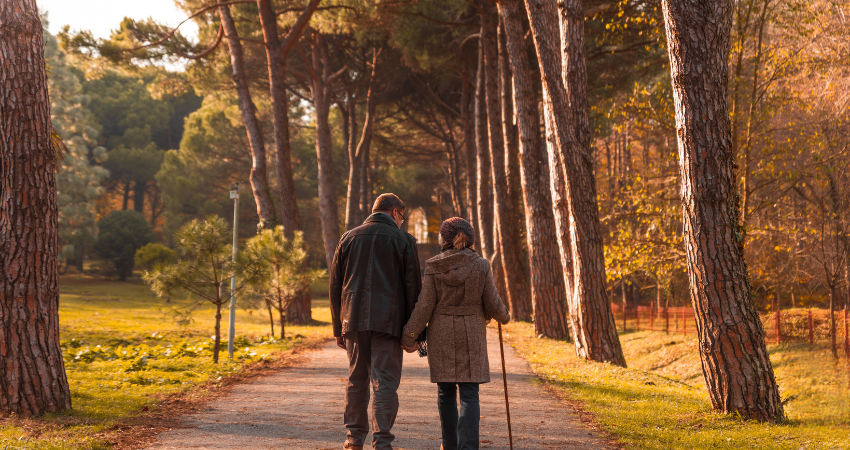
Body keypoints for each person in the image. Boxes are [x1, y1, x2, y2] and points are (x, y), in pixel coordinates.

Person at [400, 217, 511, 450]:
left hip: (441, 334)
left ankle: (449, 445)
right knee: (470, 393)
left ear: (444, 239)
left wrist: (409, 335)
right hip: (472, 332)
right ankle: (468, 447)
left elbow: (424, 306)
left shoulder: (432, 266)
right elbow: (493, 303)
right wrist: (504, 316)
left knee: (446, 392)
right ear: (470, 238)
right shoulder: (481, 265)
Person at [330, 193, 422, 450]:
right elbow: (413, 289)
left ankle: (353, 440)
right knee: (385, 382)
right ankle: (382, 442)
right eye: (401, 217)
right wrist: (414, 334)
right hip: (389, 323)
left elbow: (335, 286)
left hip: (354, 321)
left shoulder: (348, 237)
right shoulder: (404, 240)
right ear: (394, 213)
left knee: (356, 380)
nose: (401, 222)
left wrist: (339, 328)